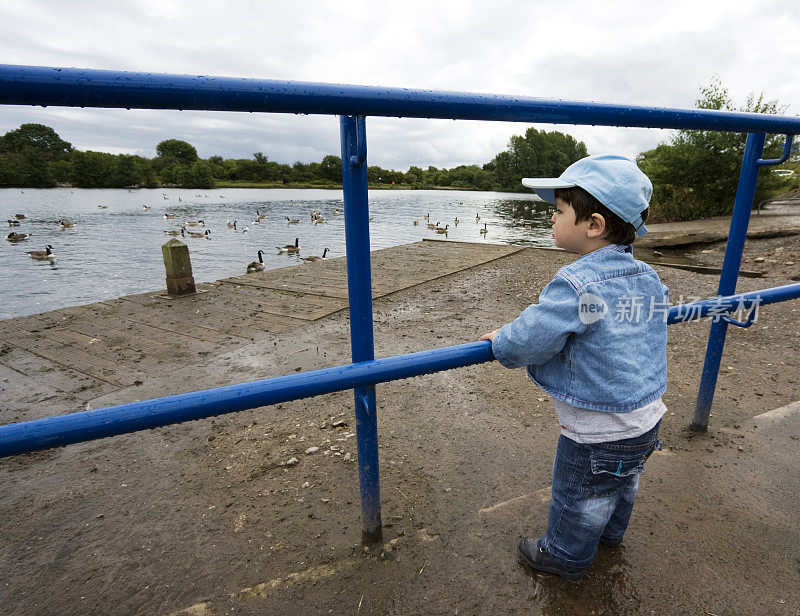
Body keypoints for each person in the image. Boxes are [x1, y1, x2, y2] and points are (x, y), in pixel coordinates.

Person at [479, 154, 668, 581]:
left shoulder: (577, 282)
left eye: (559, 210)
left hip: (598, 429)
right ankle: (610, 536)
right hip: (646, 415)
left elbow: (533, 335)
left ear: (594, 225)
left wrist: (501, 343)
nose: (551, 217)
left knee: (579, 493)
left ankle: (563, 555)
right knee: (622, 482)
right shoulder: (648, 276)